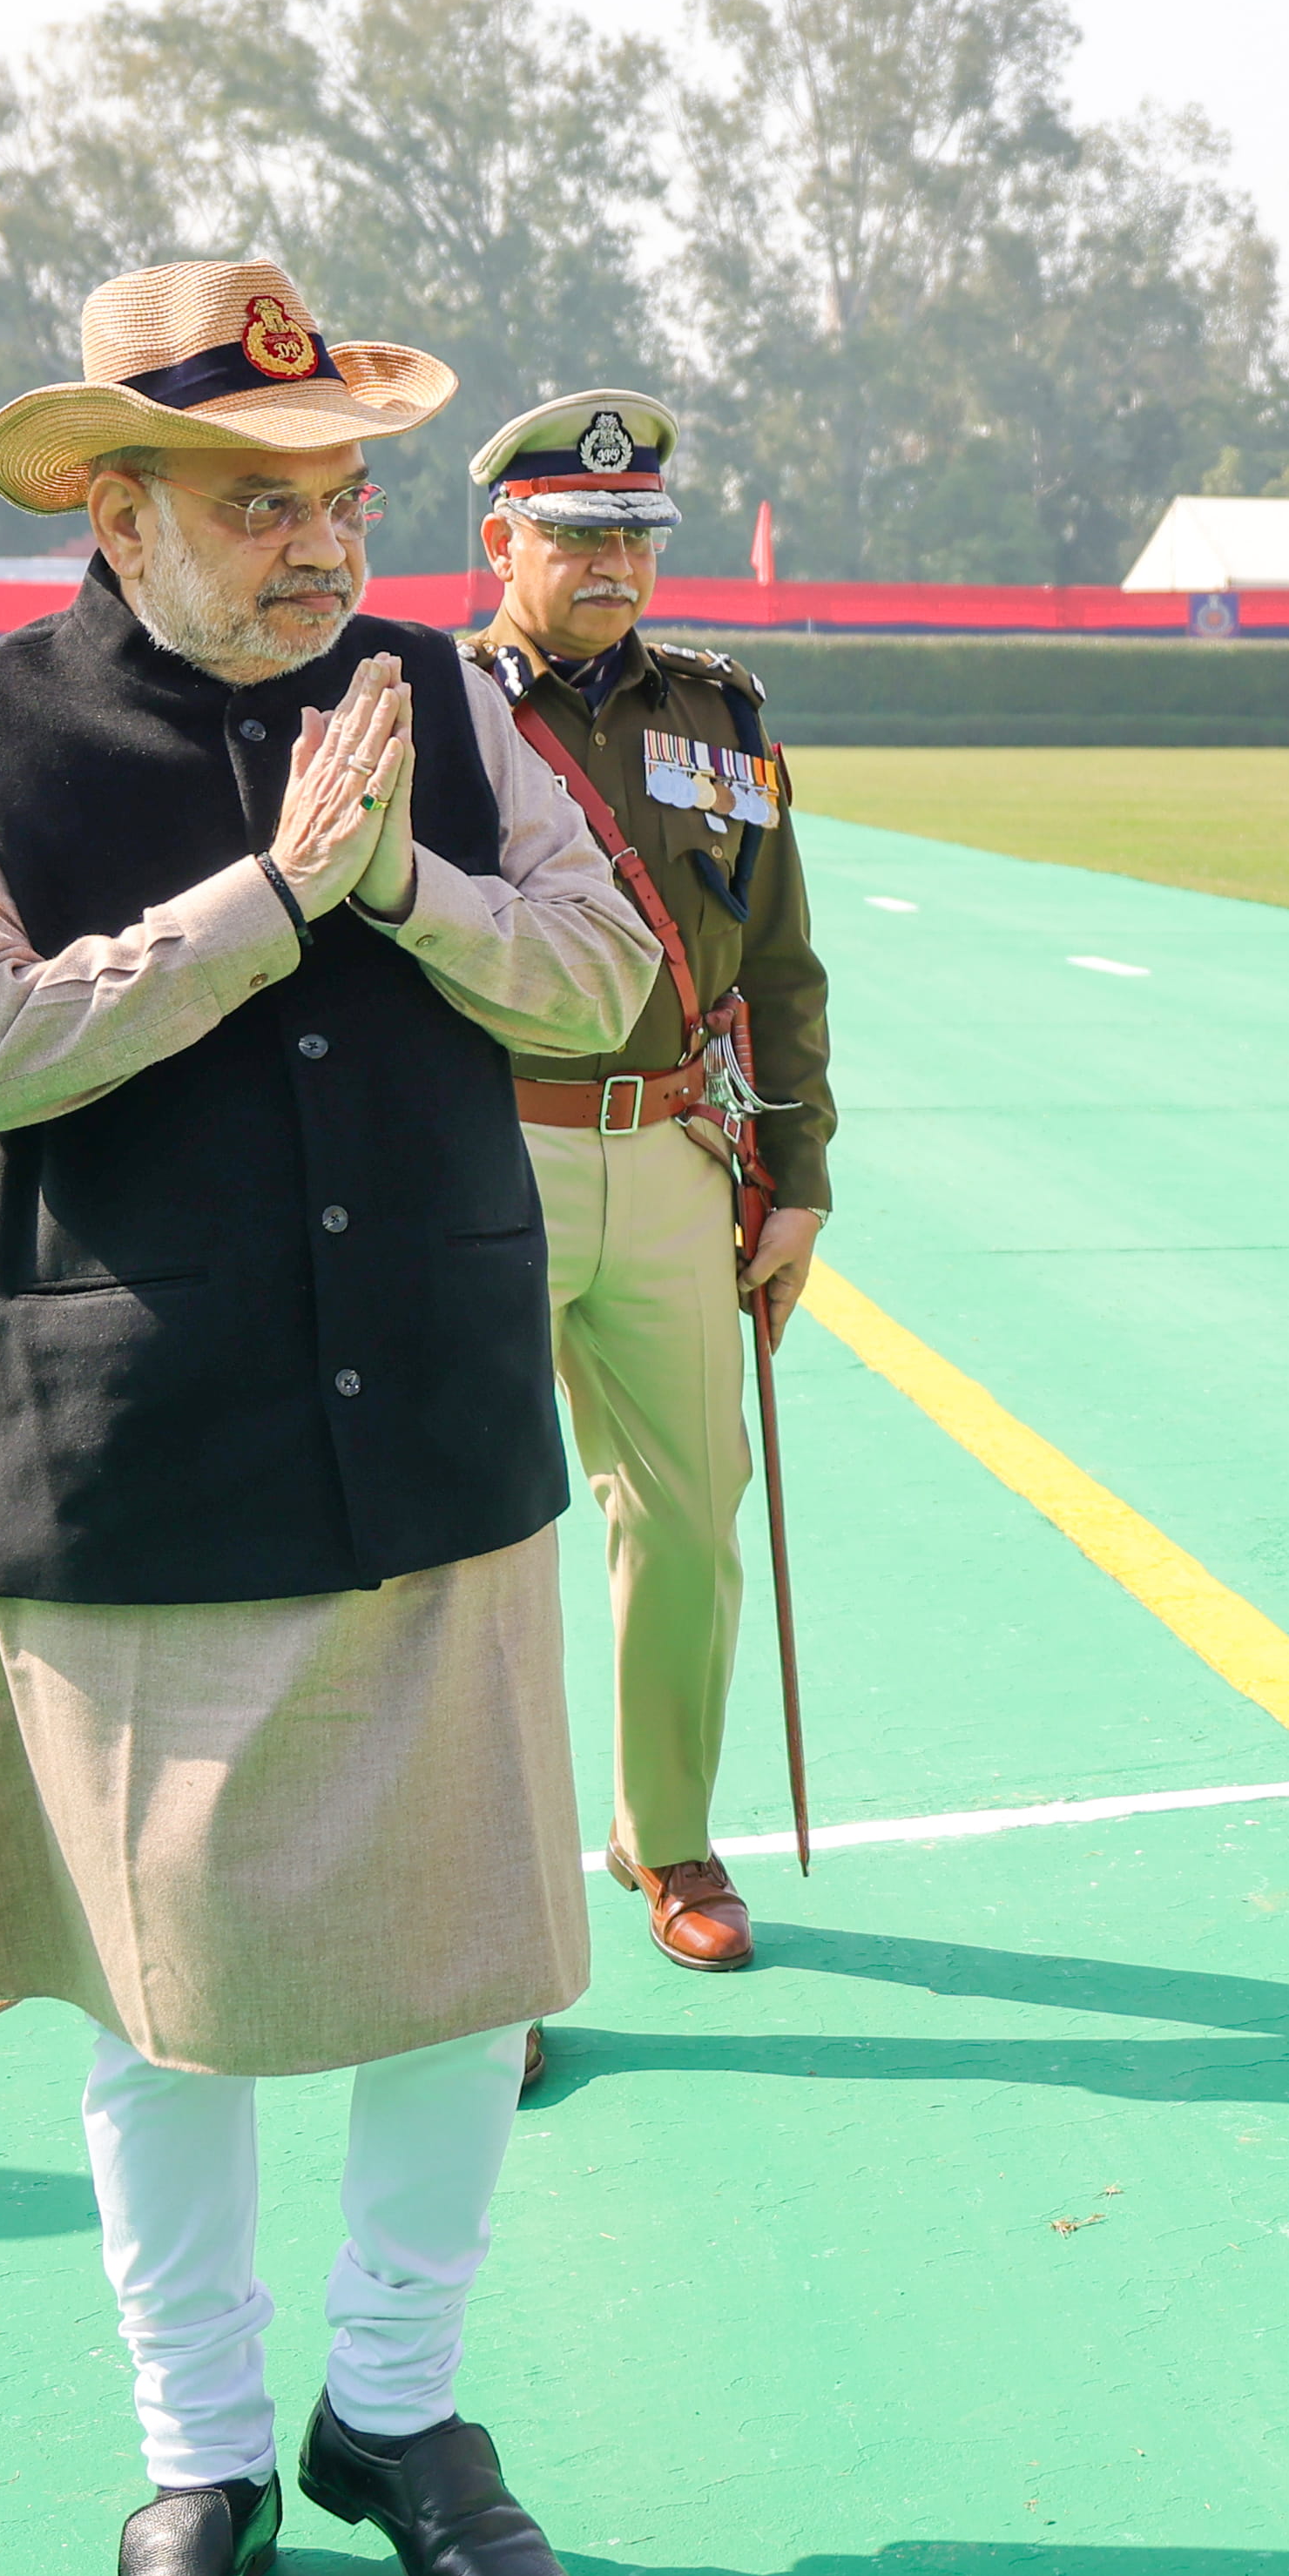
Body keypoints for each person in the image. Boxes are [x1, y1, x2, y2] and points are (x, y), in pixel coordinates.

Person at [0, 260, 663, 2576]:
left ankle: (395, 2415)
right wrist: (264, 905)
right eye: (255, 497)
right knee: (170, 2007)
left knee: (463, 1967)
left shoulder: (432, 707)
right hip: (138, 1454)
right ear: (115, 506)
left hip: (424, 1422)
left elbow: (605, 974)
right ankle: (196, 2455)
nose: (320, 542)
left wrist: (400, 878)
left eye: (338, 493)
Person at [453, 388, 833, 1979]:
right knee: (468, 1542)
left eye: (635, 535)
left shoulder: (720, 715)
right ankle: (476, 1912)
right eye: (579, 532)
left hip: (677, 1154)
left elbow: (783, 959)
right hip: (481, 1156)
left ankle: (661, 1835)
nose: (614, 560)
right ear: (502, 541)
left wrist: (796, 1171)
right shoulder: (428, 708)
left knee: (691, 1513)